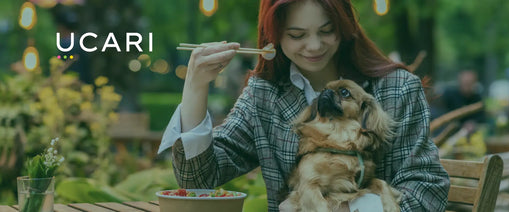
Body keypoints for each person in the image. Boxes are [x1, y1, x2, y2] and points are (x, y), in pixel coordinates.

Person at [158, 0, 450, 211]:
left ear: (345, 27)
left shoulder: (397, 89)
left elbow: (426, 188)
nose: (313, 46)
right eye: (297, 35)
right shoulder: (265, 95)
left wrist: (349, 209)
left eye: (326, 31)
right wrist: (195, 86)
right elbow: (198, 178)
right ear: (272, 39)